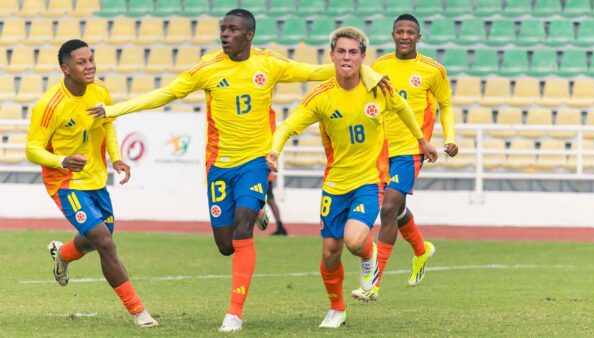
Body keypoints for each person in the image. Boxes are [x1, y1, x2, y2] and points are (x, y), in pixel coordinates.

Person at [87, 9, 387, 332]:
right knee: (226, 244)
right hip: (220, 165)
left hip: (256, 162)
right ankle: (256, 211)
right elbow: (164, 94)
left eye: (232, 29)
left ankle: (234, 313)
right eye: (223, 29)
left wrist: (367, 74)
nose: (225, 34)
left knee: (243, 231)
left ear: (249, 35)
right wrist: (113, 110)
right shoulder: (208, 68)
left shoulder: (268, 63)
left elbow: (318, 71)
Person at [267, 27, 437, 328]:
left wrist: (421, 141)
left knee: (355, 241)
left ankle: (369, 257)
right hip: (334, 185)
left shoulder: (378, 89)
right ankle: (337, 309)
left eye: (353, 52)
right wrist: (275, 150)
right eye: (341, 52)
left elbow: (403, 109)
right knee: (330, 252)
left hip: (369, 182)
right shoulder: (321, 97)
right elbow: (288, 126)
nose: (347, 57)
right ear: (332, 56)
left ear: (362, 57)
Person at [25, 39, 158, 328]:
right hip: (65, 181)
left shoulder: (100, 91)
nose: (90, 66)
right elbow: (32, 149)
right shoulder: (50, 105)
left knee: (99, 236)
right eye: (81, 62)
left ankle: (62, 254)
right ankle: (139, 313)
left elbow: (107, 123)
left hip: (95, 179)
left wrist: (117, 158)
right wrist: (61, 161)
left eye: (91, 59)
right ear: (65, 69)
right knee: (105, 243)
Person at [352, 14, 459, 302]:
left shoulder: (432, 70)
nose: (404, 36)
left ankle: (373, 284)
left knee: (387, 209)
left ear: (418, 37)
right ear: (393, 34)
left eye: (410, 32)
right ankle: (422, 250)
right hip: (380, 148)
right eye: (399, 31)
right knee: (397, 210)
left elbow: (446, 105)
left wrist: (449, 138)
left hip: (411, 149)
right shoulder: (379, 67)